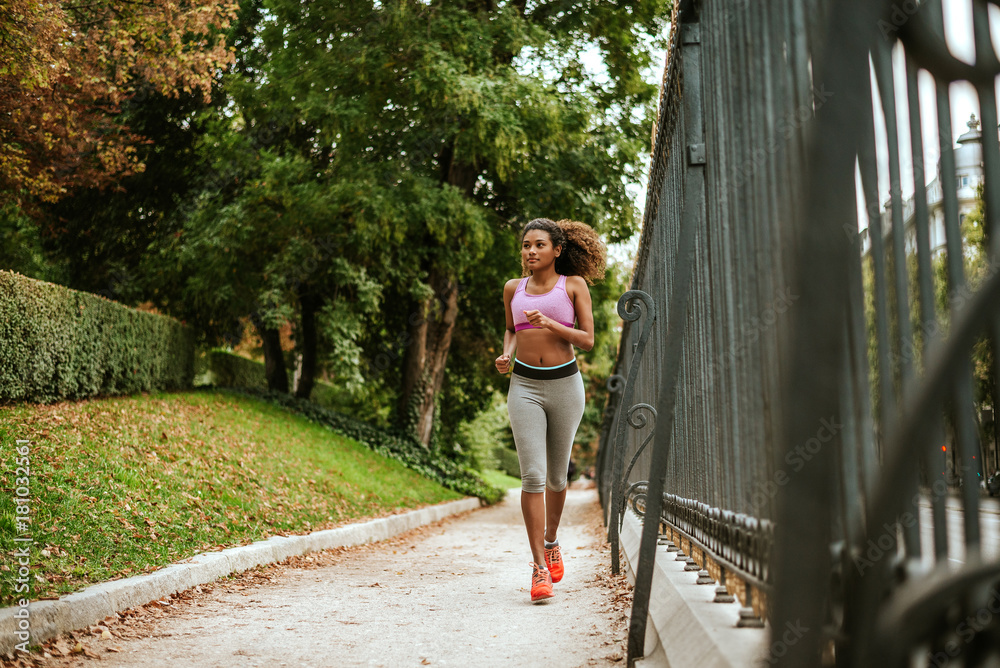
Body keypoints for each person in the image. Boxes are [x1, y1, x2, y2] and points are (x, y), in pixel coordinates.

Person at [495, 217, 605, 602]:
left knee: (558, 477)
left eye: (539, 244)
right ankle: (540, 568)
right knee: (533, 477)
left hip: (565, 386)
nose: (530, 251)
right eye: (526, 245)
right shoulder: (513, 288)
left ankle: (553, 540)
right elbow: (511, 328)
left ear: (557, 250)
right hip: (523, 385)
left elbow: (588, 340)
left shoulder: (573, 286)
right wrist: (506, 355)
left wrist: (552, 324)